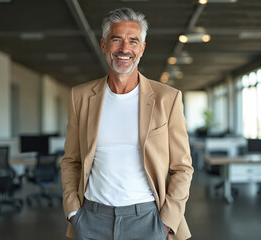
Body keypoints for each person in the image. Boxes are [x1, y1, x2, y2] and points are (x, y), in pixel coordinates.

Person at [61, 7, 193, 240]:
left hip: (148, 220)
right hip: (91, 219)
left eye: (133, 41)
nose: (124, 49)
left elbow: (182, 167)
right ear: (104, 45)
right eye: (117, 40)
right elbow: (71, 160)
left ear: (141, 48)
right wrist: (73, 212)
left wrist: (166, 223)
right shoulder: (80, 97)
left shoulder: (168, 98)